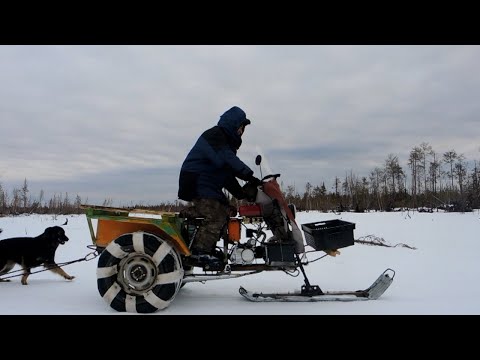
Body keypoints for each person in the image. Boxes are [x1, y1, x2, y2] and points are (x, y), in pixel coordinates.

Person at [178, 106, 261, 265]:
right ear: (234, 125)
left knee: (228, 211)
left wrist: (240, 193)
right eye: (241, 127)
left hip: (208, 183)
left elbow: (225, 174)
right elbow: (227, 160)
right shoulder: (216, 136)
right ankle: (200, 252)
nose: (242, 131)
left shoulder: (226, 142)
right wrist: (250, 176)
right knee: (216, 215)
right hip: (197, 180)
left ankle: (207, 245)